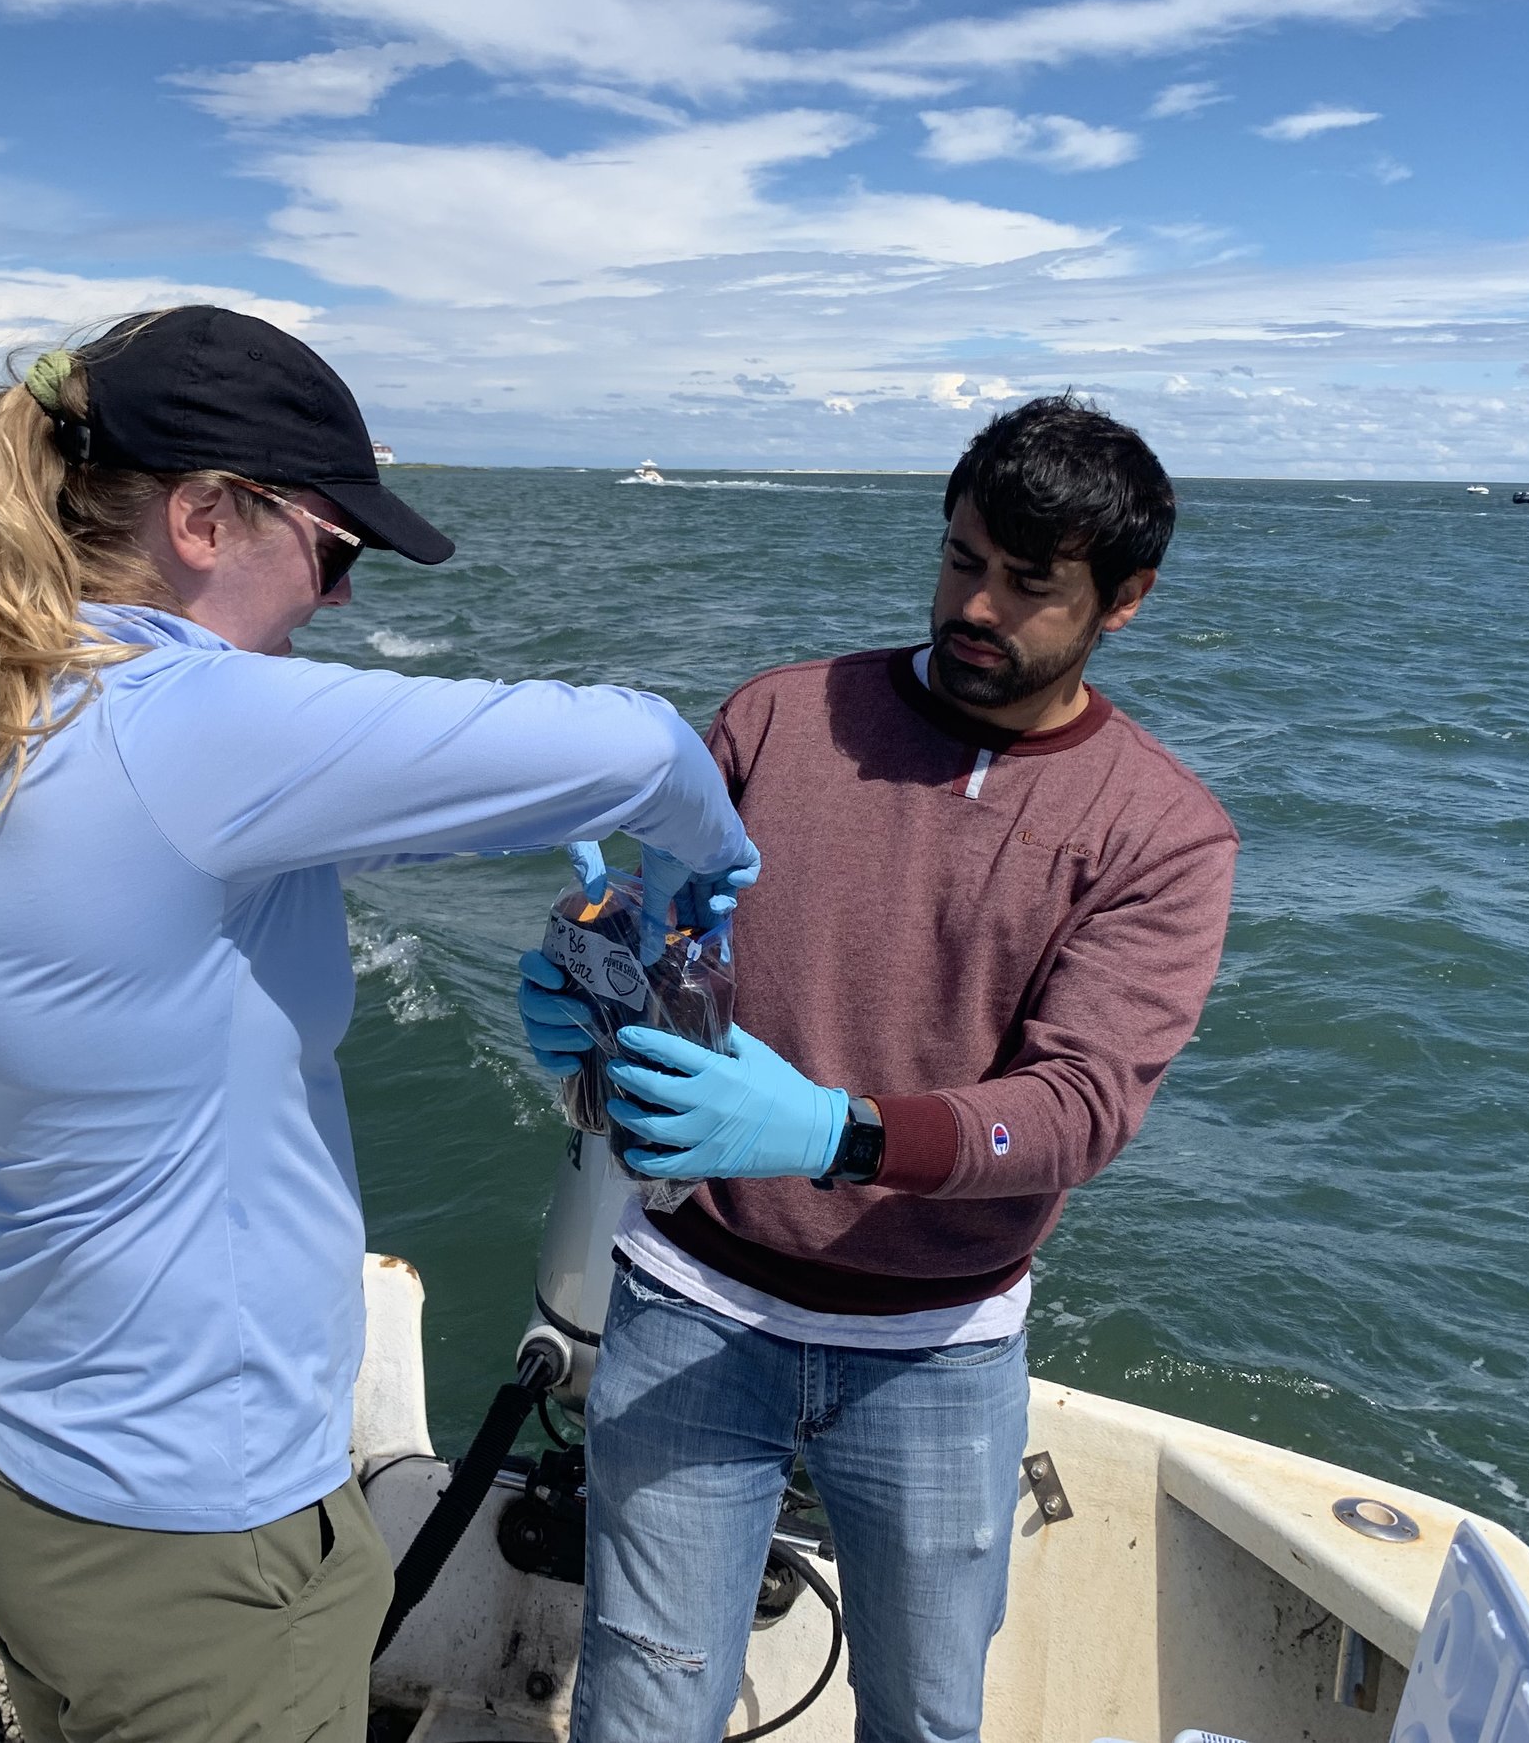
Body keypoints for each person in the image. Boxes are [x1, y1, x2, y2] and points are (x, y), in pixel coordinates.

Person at [0, 305, 756, 1743]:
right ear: (203, 516)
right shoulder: (191, 732)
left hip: (17, 1442)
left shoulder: (5, 689)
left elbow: (250, 823)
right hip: (191, 1528)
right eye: (334, 550)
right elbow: (640, 741)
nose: (344, 598)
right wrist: (698, 857)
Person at [519, 394, 1238, 1743]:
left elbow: (1079, 1112)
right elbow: (660, 933)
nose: (977, 605)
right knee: (639, 1710)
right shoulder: (779, 719)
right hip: (689, 1300)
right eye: (964, 557)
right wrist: (578, 967)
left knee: (923, 1717)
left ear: (1124, 601)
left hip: (938, 1352)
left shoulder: (1163, 833)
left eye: (1031, 585)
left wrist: (834, 1134)